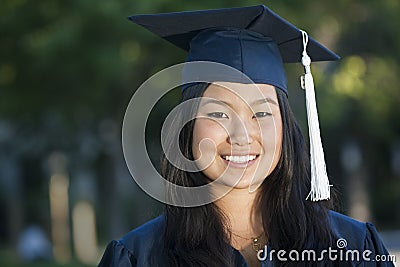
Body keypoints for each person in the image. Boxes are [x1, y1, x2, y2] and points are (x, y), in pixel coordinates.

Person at [98, 5, 394, 266]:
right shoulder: (139, 257)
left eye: (261, 113)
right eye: (218, 114)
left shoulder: (351, 249)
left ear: (285, 127)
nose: (241, 135)